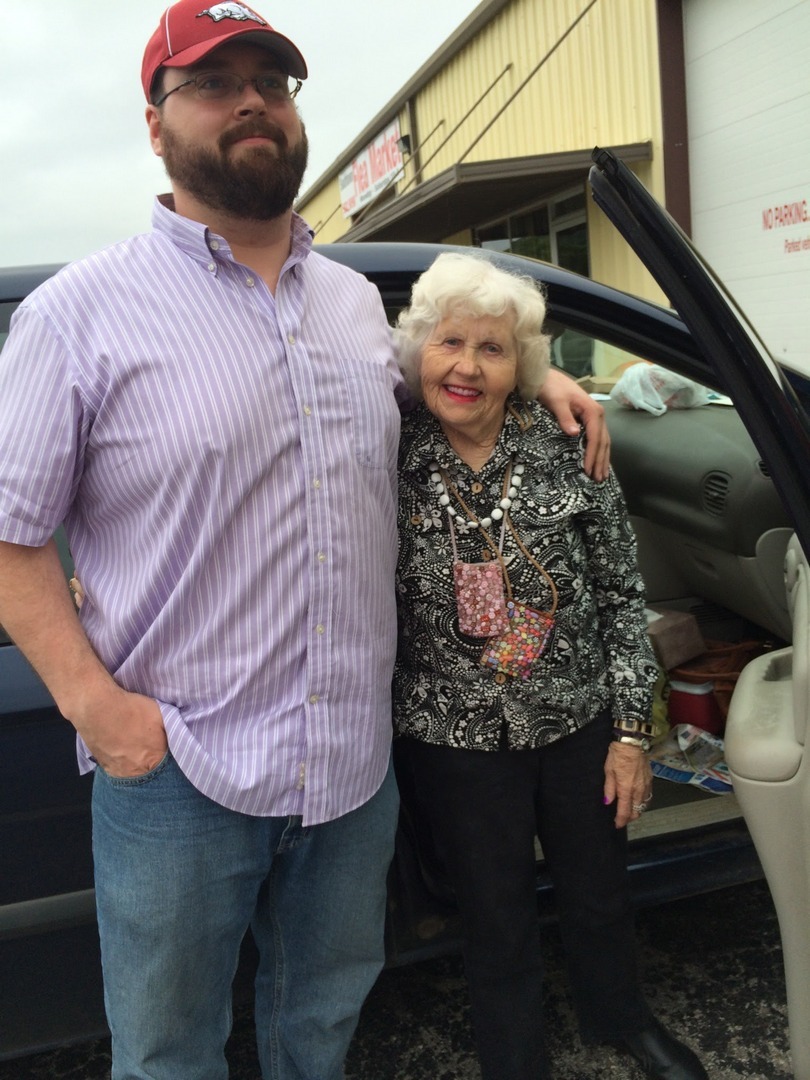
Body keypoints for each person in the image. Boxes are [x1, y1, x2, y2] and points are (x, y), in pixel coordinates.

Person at [0, 4, 609, 1079]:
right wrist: (99, 710)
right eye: (212, 82)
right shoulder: (74, 317)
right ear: (156, 124)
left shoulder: (354, 306)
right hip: (180, 768)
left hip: (350, 770)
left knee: (320, 1026)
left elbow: (448, 385)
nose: (251, 103)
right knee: (169, 1053)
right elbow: (11, 536)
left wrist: (539, 371)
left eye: (271, 83)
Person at [392, 252, 709, 1080]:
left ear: (523, 365)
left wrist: (631, 736)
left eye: (492, 349)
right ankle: (514, 1058)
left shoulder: (567, 442)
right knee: (493, 914)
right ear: (418, 351)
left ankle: (622, 1018)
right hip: (453, 737)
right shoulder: (386, 445)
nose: (467, 366)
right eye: (449, 342)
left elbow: (621, 594)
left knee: (599, 889)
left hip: (578, 721)